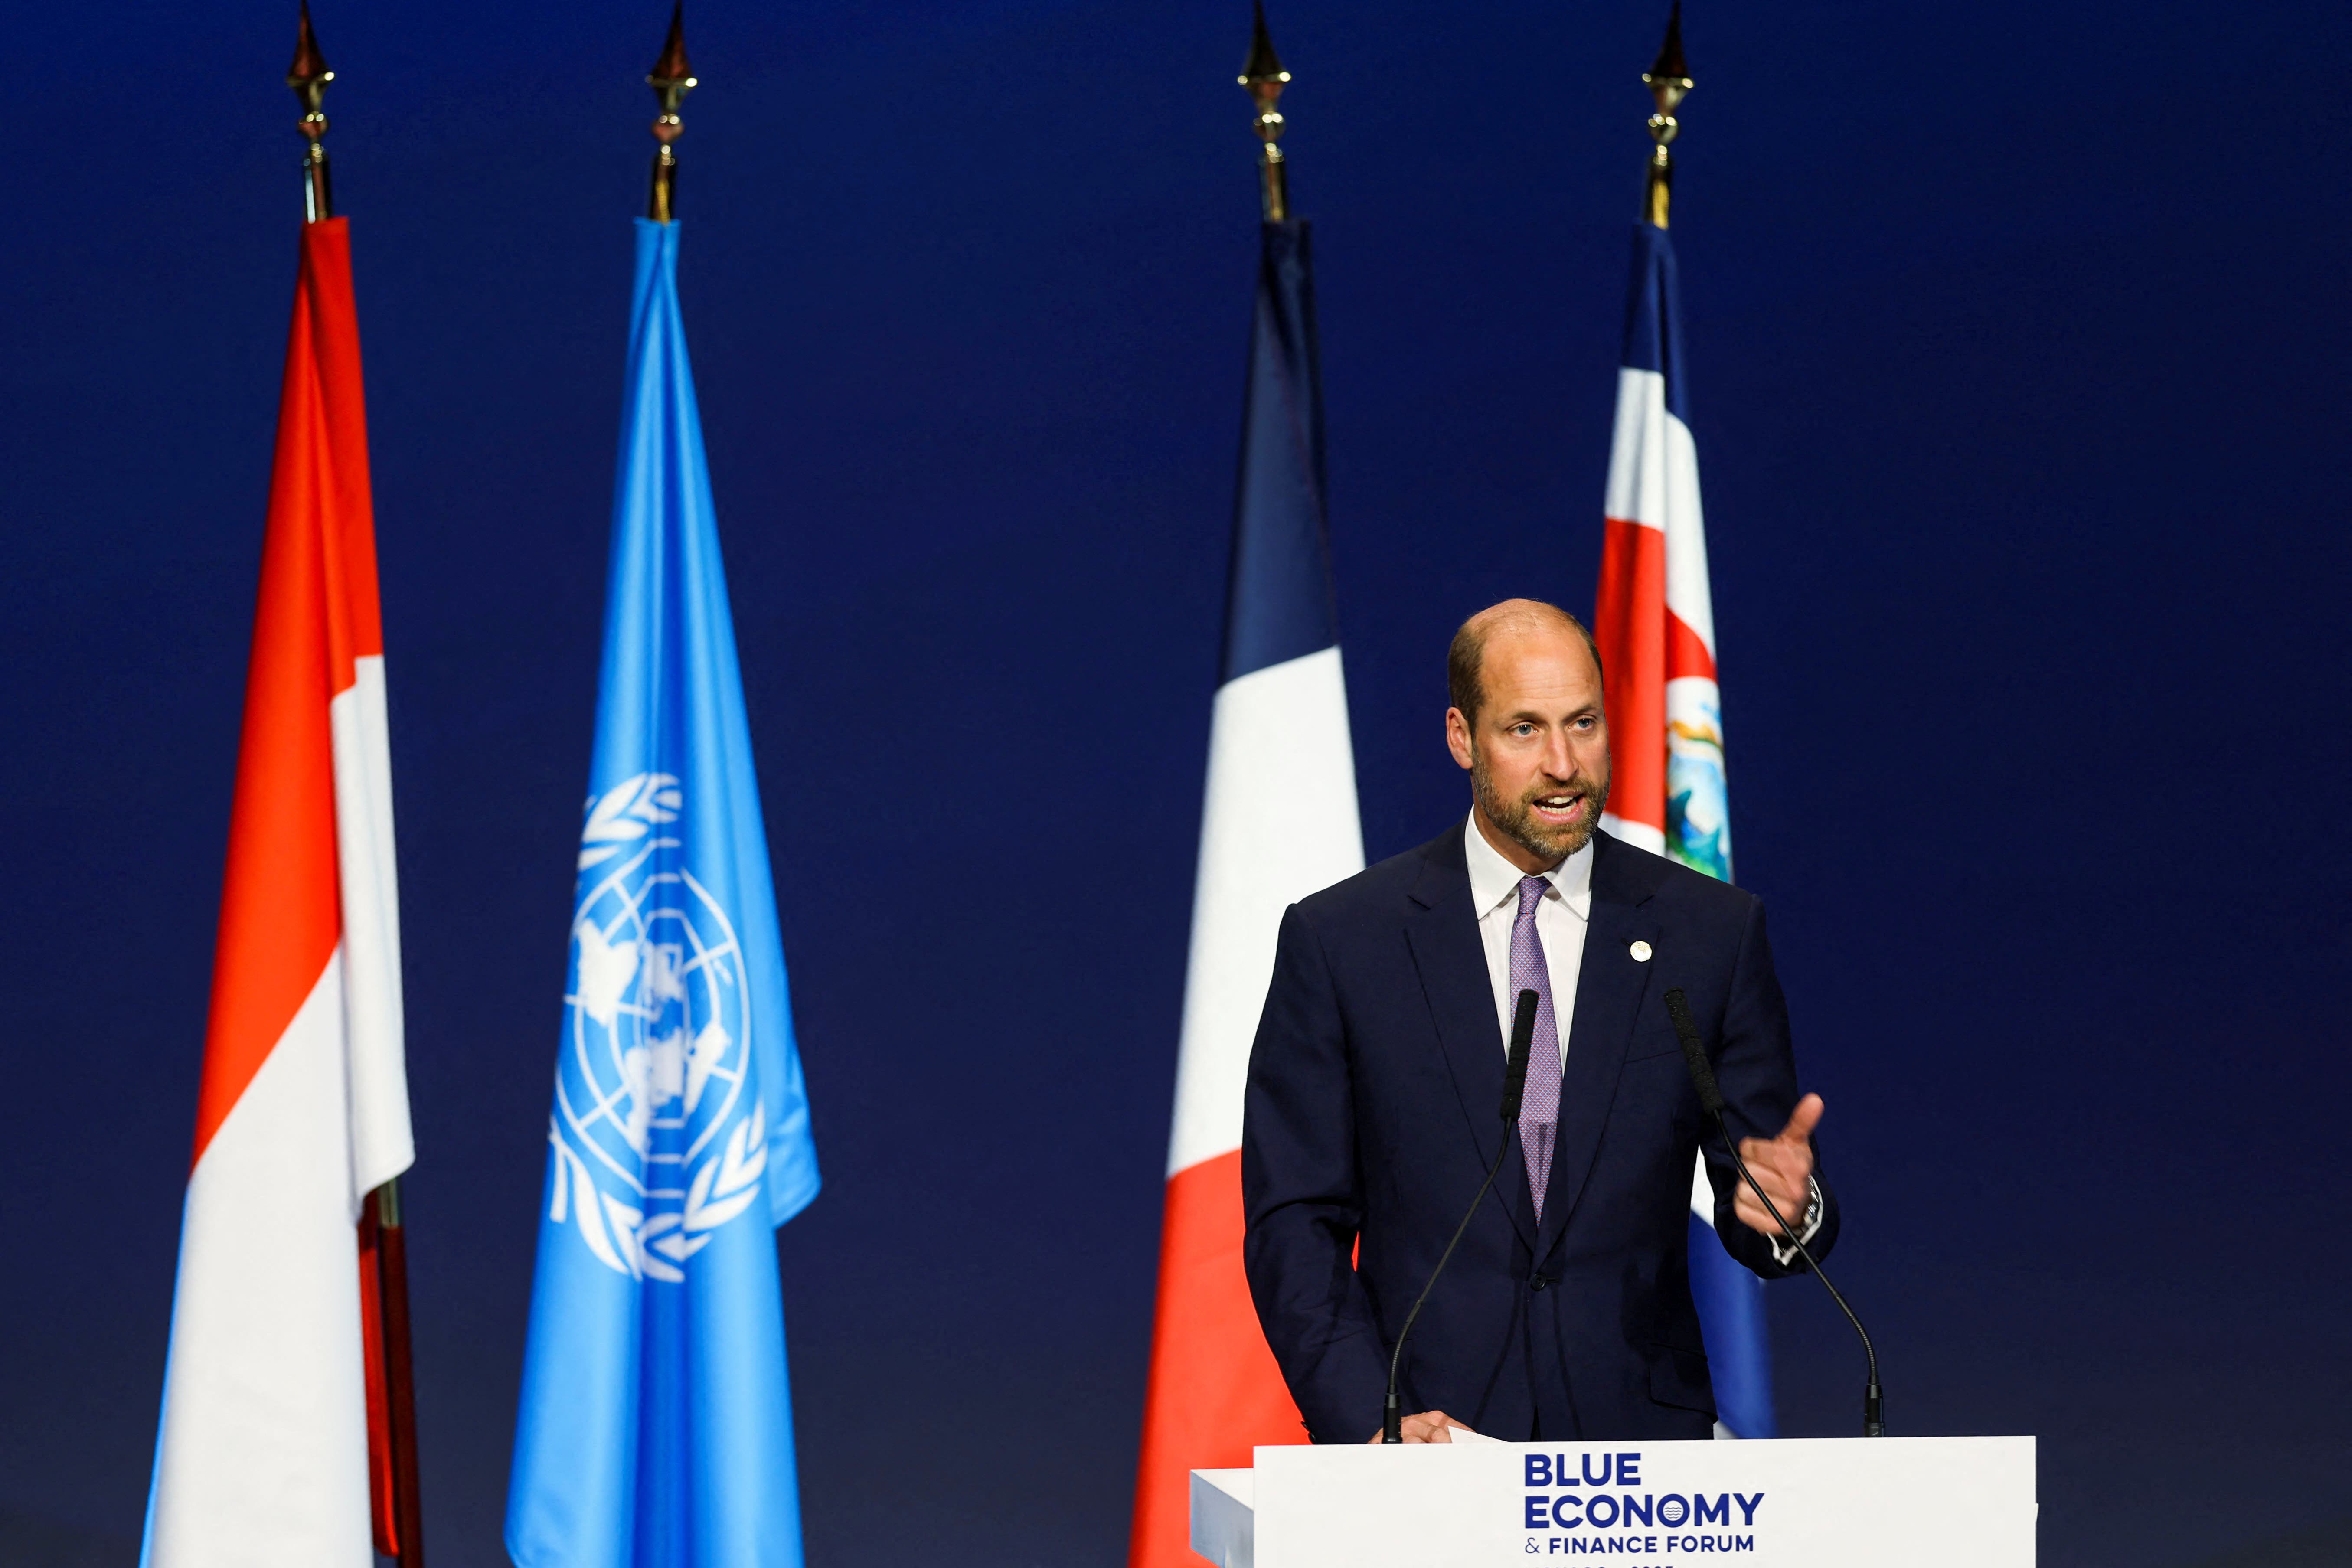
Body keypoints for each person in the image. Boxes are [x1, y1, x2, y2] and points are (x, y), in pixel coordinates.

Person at [1240, 598, 1836, 1444]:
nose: (1564, 763)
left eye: (1583, 723)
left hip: (1640, 1460)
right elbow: (1295, 1219)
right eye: (1524, 729)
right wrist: (1367, 1421)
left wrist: (1787, 1207)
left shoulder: (1709, 934)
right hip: (1426, 1449)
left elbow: (1765, 1200)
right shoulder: (1345, 942)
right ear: (1461, 737)